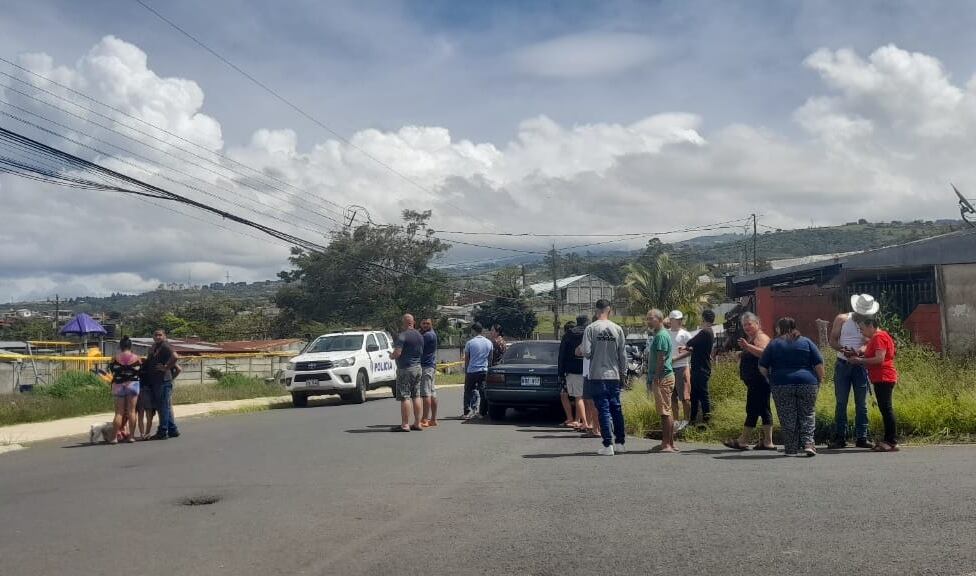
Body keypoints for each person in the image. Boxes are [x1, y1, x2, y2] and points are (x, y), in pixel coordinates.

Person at [759, 317, 825, 457]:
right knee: (807, 414)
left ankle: (790, 448)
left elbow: (762, 366)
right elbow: (819, 364)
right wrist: (820, 380)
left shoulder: (774, 344)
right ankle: (808, 443)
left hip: (782, 383)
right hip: (807, 382)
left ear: (779, 328)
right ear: (794, 327)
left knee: (787, 415)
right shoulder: (806, 342)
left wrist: (770, 379)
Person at [828, 294, 879, 449]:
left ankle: (861, 437)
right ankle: (840, 437)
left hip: (860, 364)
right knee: (841, 402)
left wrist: (860, 352)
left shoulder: (870, 323)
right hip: (843, 362)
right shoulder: (842, 319)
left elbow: (870, 342)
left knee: (861, 403)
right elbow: (833, 340)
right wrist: (844, 350)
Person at [581, 299, 628, 456]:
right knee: (616, 407)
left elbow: (586, 352)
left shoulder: (591, 328)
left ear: (596, 311)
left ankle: (608, 445)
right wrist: (624, 373)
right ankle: (620, 443)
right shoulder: (617, 329)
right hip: (614, 374)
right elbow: (623, 355)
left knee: (603, 409)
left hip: (597, 375)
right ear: (610, 310)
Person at [848, 316, 899, 452]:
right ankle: (890, 439)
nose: (861, 332)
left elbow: (879, 358)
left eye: (862, 329)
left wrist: (859, 360)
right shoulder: (877, 337)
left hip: (884, 377)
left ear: (871, 325)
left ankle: (891, 441)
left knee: (886, 409)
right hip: (881, 377)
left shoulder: (878, 337)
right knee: (885, 408)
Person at [724, 312, 774, 451]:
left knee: (753, 409)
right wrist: (742, 353)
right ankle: (767, 441)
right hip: (754, 380)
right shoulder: (751, 339)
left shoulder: (761, 337)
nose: (746, 327)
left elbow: (763, 353)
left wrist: (747, 347)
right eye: (744, 325)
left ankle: (743, 440)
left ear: (757, 324)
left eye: (749, 324)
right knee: (762, 409)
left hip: (759, 380)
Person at [646, 309, 678, 453]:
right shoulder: (659, 335)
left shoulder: (661, 336)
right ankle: (668, 442)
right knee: (666, 410)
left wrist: (656, 377)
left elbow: (661, 358)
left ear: (659, 319)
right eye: (647, 318)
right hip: (664, 376)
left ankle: (667, 444)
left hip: (663, 376)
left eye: (651, 318)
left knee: (665, 412)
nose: (648, 321)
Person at [391, 314, 425, 432]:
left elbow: (397, 353)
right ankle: (417, 423)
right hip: (417, 367)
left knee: (405, 396)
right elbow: (421, 352)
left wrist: (391, 355)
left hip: (405, 368)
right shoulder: (420, 336)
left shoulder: (402, 335)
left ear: (404, 323)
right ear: (413, 322)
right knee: (416, 395)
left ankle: (405, 424)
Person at [685, 309, 716, 425]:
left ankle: (702, 420)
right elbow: (698, 347)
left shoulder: (704, 332)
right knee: (698, 395)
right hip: (703, 367)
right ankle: (699, 420)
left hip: (700, 369)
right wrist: (691, 349)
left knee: (700, 395)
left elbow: (690, 342)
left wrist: (689, 347)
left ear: (703, 318)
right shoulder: (710, 332)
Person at [108, 336, 141, 444]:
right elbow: (140, 370)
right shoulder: (137, 358)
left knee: (119, 413)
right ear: (130, 346)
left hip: (118, 385)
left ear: (120, 346)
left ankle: (113, 438)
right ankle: (131, 436)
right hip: (133, 384)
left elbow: (112, 369)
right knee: (132, 412)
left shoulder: (115, 358)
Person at [148, 329, 180, 440]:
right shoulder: (156, 347)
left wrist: (166, 367)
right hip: (158, 381)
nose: (157, 337)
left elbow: (175, 357)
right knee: (165, 406)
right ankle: (172, 429)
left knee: (163, 407)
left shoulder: (165, 346)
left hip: (163, 381)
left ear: (164, 336)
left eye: (160, 335)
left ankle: (162, 431)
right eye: (155, 335)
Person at [558, 317, 587, 430]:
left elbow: (562, 354)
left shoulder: (568, 335)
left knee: (578, 396)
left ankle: (582, 422)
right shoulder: (589, 332)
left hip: (572, 369)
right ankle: (582, 421)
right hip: (587, 369)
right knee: (585, 397)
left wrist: (561, 371)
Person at [462, 323, 493, 419]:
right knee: (483, 392)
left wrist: (466, 370)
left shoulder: (470, 343)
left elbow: (467, 358)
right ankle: (482, 412)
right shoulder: (489, 343)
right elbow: (490, 358)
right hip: (484, 370)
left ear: (474, 331)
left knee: (468, 391)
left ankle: (467, 412)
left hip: (472, 370)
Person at [667, 310, 692, 431]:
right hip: (669, 369)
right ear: (671, 320)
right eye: (676, 319)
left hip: (682, 367)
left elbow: (691, 350)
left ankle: (687, 420)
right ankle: (676, 421)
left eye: (680, 319)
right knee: (672, 397)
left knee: (685, 397)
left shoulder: (685, 334)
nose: (679, 321)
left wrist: (676, 358)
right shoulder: (666, 333)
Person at [419, 318, 439, 428]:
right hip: (431, 366)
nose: (425, 325)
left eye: (428, 323)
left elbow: (416, 344)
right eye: (424, 323)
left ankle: (425, 419)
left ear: (431, 324)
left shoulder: (427, 336)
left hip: (426, 367)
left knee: (426, 393)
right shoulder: (430, 334)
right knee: (432, 393)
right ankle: (433, 419)